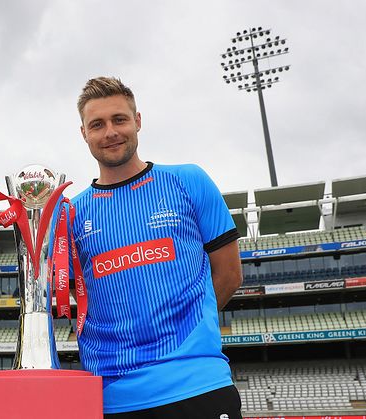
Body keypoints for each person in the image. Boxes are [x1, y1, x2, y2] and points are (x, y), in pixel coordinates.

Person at [69, 76, 243, 418]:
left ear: (137, 121)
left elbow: (230, 274)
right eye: (97, 124)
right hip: (112, 397)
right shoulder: (73, 214)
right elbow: (79, 296)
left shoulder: (188, 180)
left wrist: (185, 330)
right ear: (84, 133)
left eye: (119, 119)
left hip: (199, 385)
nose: (110, 132)